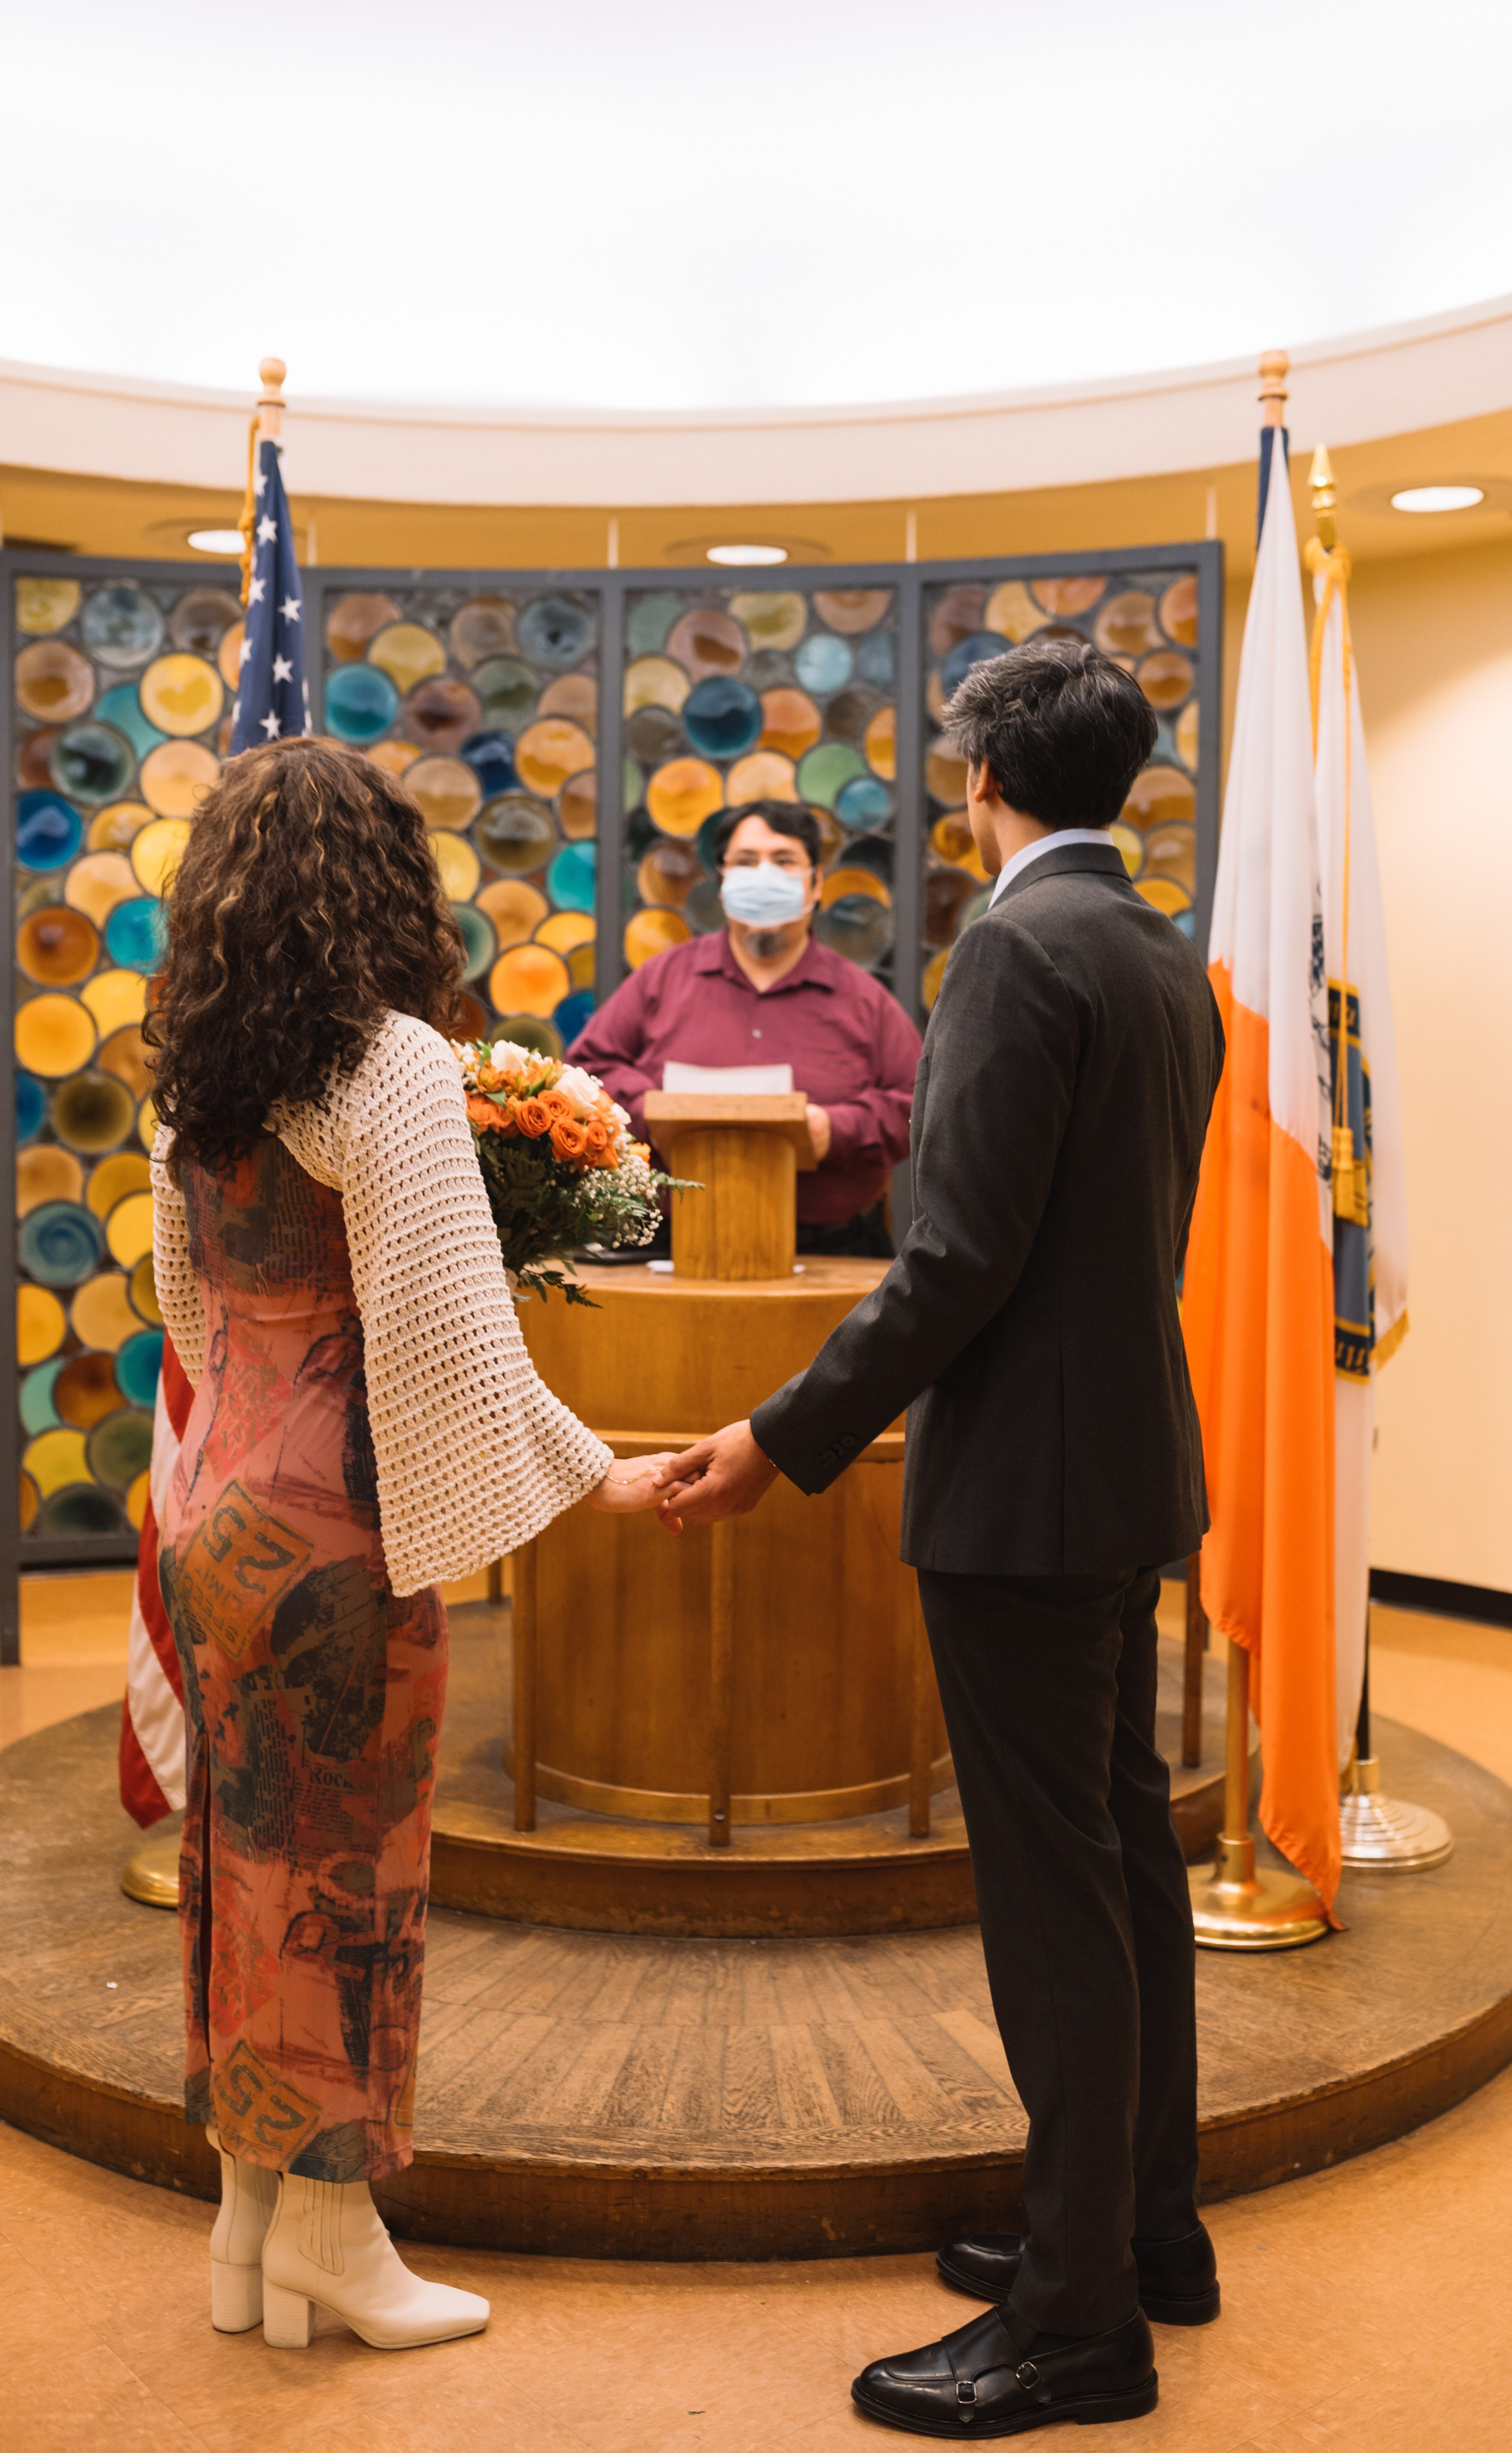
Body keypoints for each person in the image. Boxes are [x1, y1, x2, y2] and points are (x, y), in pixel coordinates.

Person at [654, 641, 1226, 2435]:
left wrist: (777, 1435)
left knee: (1056, 1901)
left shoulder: (1010, 949)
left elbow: (957, 1258)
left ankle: (1076, 2332)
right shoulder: (1157, 951)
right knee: (1123, 1855)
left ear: (983, 781)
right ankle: (1140, 2227)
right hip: (1129, 1471)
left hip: (1025, 1499)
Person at [147, 737, 672, 2354]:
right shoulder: (388, 1066)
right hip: (332, 1529)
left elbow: (182, 1300)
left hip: (209, 1499)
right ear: (383, 882)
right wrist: (595, 1476)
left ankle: (245, 2224)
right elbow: (445, 1331)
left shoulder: (201, 1071)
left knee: (242, 1863)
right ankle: (333, 2230)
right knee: (340, 1877)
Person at [567, 800, 922, 1257]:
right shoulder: (663, 978)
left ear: (815, 885)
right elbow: (585, 1071)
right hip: (673, 1248)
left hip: (832, 1254)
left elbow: (919, 1106)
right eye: (746, 862)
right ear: (722, 883)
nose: (764, 875)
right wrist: (653, 1108)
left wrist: (835, 1129)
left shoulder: (865, 999)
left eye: (784, 861)